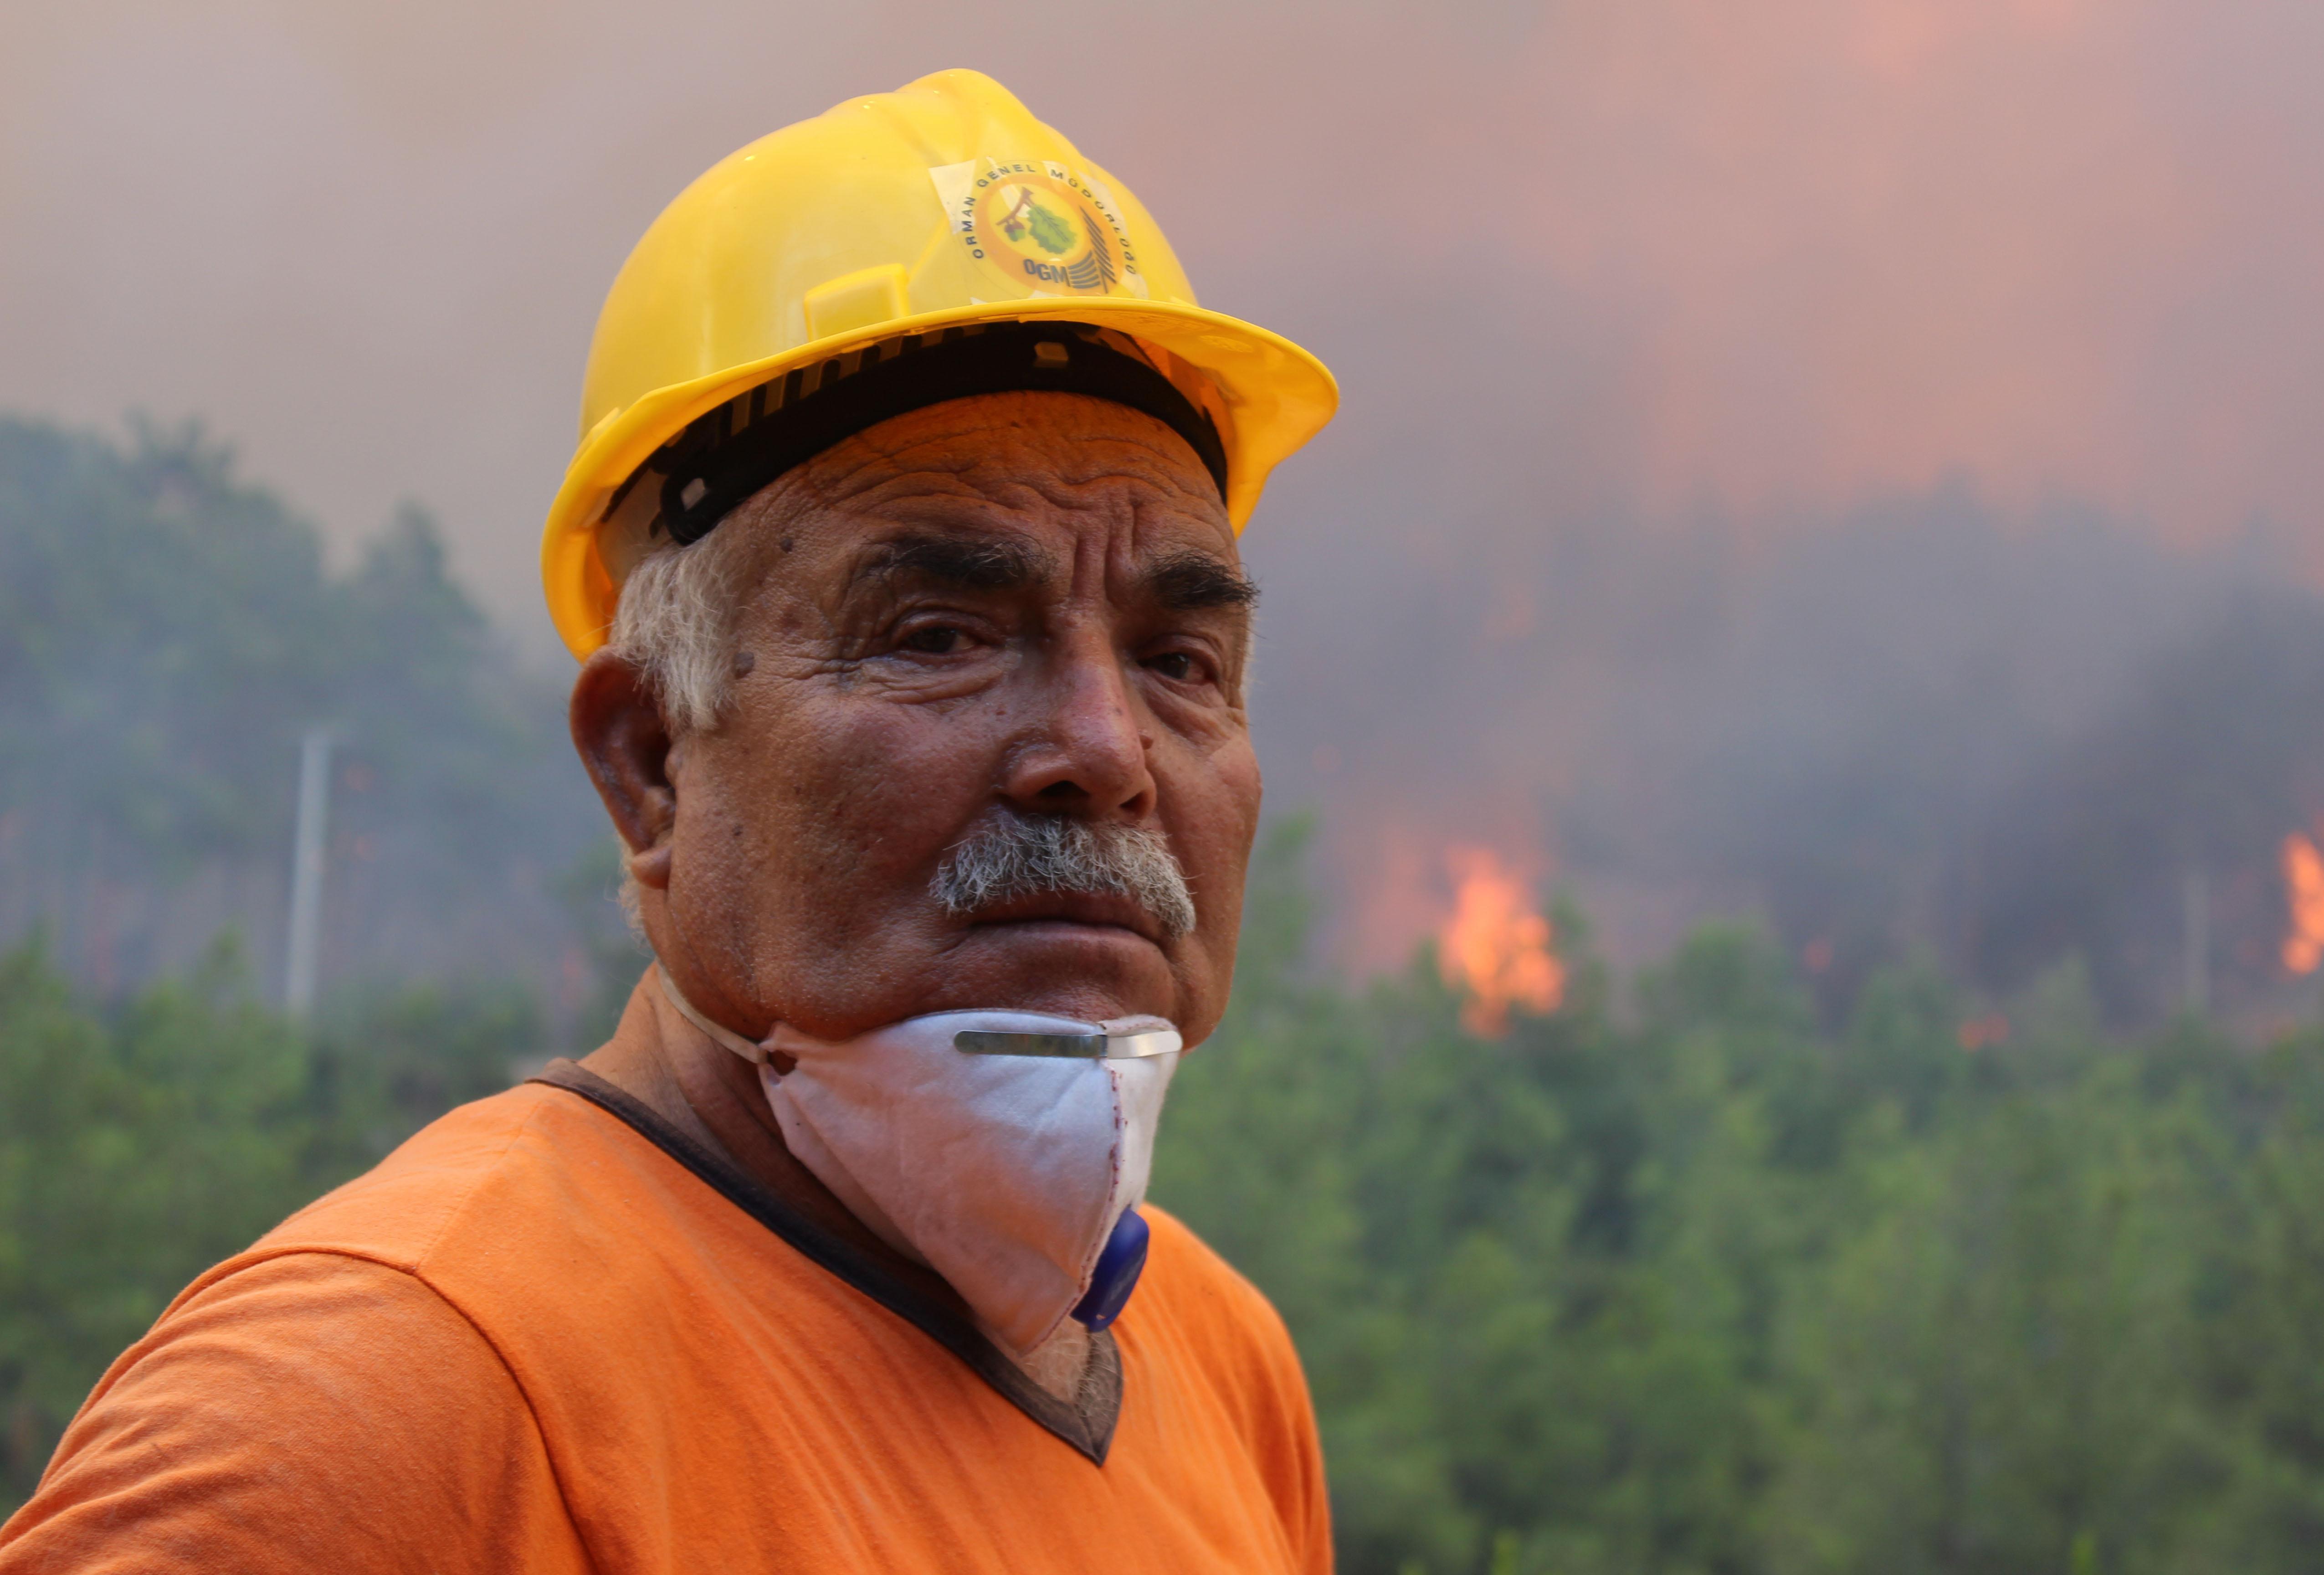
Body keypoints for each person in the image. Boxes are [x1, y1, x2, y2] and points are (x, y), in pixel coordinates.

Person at [0, 68, 1338, 1573]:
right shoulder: (382, 1403)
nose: (1106, 750)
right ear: (650, 761)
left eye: (1181, 663)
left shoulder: (1220, 1364)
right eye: (938, 635)